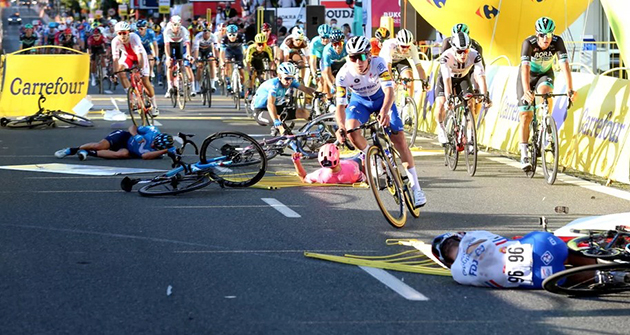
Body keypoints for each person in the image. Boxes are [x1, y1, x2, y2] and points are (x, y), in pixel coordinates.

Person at [333, 36, 427, 208]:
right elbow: (340, 107)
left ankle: (416, 188)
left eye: (361, 57)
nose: (358, 62)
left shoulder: (379, 63)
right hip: (360, 102)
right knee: (351, 130)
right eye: (353, 57)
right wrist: (340, 127)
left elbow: (389, 91)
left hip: (382, 100)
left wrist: (384, 111)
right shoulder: (343, 74)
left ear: (369, 55)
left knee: (399, 140)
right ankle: (373, 157)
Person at [431, 230, 598, 289]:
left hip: (540, 278)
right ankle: (603, 261)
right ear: (457, 237)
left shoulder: (457, 275)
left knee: (565, 277)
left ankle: (606, 275)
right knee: (564, 252)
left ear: (448, 262)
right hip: (541, 246)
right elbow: (499, 239)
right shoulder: (472, 236)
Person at [517, 17, 576, 171]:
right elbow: (524, 69)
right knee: (525, 115)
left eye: (549, 35)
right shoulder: (528, 43)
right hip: (527, 77)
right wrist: (526, 91)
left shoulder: (557, 42)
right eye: (542, 35)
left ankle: (545, 121)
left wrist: (570, 89)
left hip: (544, 74)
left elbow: (565, 66)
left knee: (545, 93)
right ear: (537, 34)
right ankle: (523, 154)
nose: (546, 39)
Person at [434, 32, 491, 145]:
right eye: (459, 52)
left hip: (463, 79)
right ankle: (440, 127)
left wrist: (485, 94)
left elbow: (480, 75)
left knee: (470, 103)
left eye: (465, 51)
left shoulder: (475, 54)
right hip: (447, 79)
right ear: (454, 49)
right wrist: (449, 97)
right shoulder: (446, 56)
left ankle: (469, 134)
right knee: (441, 103)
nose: (463, 55)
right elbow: (446, 80)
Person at [251, 62, 318, 134]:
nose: (289, 81)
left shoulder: (290, 81)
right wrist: (276, 120)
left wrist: (318, 94)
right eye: (287, 79)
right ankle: (285, 137)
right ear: (279, 77)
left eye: (292, 78)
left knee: (303, 112)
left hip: (276, 107)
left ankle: (321, 128)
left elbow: (305, 89)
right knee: (281, 124)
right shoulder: (273, 85)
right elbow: (270, 104)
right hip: (261, 111)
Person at [111, 21, 160, 116]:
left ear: (128, 32)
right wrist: (114, 73)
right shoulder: (115, 41)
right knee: (121, 72)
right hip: (127, 57)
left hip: (140, 57)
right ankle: (132, 96)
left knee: (145, 81)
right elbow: (115, 59)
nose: (122, 36)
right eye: (119, 33)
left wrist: (139, 67)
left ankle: (154, 105)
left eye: (124, 33)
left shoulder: (134, 37)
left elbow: (140, 56)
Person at [54, 125, 175, 160]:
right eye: (153, 143)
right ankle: (72, 149)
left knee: (121, 154)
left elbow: (145, 156)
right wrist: (136, 135)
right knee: (100, 146)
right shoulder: (151, 130)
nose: (152, 146)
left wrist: (165, 151)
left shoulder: (159, 151)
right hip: (125, 137)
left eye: (155, 147)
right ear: (156, 137)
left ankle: (88, 153)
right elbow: (132, 126)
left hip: (129, 150)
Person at [379, 29, 428, 97]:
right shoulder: (390, 45)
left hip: (400, 60)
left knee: (409, 78)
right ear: (398, 43)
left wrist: (425, 82)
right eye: (403, 46)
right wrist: (390, 81)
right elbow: (388, 66)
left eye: (407, 46)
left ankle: (409, 104)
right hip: (385, 61)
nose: (405, 49)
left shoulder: (413, 48)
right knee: (387, 85)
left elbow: (419, 67)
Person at [292, 144, 365, 184]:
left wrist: (296, 162)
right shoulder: (351, 170)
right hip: (353, 163)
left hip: (349, 165)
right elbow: (366, 177)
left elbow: (304, 178)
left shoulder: (320, 175)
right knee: (361, 154)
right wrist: (364, 161)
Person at [164, 15, 195, 98]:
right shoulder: (167, 31)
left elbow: (187, 44)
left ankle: (181, 85)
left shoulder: (184, 30)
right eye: (175, 25)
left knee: (182, 64)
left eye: (178, 25)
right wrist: (168, 57)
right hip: (170, 45)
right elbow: (166, 46)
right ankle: (169, 87)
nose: (177, 27)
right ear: (171, 24)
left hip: (180, 45)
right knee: (170, 66)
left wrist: (188, 55)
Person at [219, 24, 246, 94]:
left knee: (241, 71)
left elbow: (245, 50)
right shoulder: (224, 39)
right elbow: (221, 53)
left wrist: (245, 58)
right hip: (229, 51)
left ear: (237, 33)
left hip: (238, 51)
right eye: (230, 35)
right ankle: (228, 82)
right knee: (226, 64)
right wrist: (222, 62)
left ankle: (242, 87)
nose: (232, 37)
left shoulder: (241, 37)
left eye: (234, 35)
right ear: (227, 34)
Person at [193, 21, 219, 93]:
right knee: (200, 66)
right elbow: (196, 50)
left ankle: (212, 84)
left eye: (208, 31)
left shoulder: (214, 37)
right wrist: (196, 59)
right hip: (200, 50)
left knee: (212, 62)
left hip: (208, 49)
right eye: (204, 31)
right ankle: (198, 86)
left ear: (211, 31)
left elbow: (216, 49)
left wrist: (217, 58)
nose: (206, 32)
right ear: (202, 31)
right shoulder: (198, 37)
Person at [321, 30, 347, 100]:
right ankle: (329, 98)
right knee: (325, 77)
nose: (338, 47)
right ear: (332, 44)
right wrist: (332, 86)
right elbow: (327, 72)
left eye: (340, 43)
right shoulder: (327, 50)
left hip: (341, 62)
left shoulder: (347, 46)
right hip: (330, 64)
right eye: (335, 44)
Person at [308, 24, 332, 93]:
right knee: (320, 78)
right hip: (319, 56)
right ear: (319, 36)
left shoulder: (333, 41)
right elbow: (312, 62)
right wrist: (315, 75)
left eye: (328, 37)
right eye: (323, 37)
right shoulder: (315, 42)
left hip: (328, 57)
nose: (326, 40)